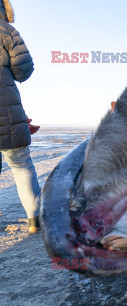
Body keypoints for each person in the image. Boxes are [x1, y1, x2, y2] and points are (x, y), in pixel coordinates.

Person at [0, 0, 41, 234]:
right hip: (6, 109)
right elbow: (23, 70)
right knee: (21, 165)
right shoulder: (6, 30)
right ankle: (34, 219)